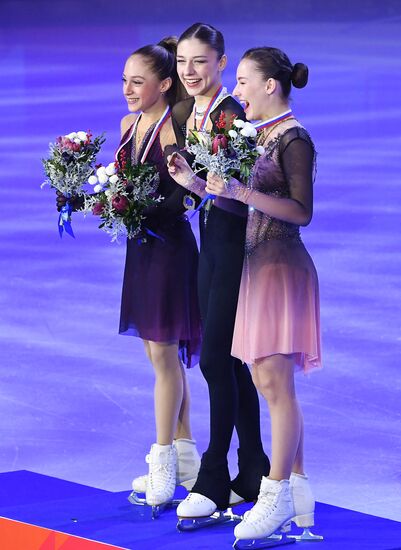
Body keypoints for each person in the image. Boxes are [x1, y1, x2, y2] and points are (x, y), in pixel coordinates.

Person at [58, 38, 202, 511]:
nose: (127, 89)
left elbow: (186, 196)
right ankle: (185, 458)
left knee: (164, 359)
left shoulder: (171, 129)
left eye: (137, 82)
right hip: (140, 252)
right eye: (124, 80)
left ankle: (163, 463)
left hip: (170, 252)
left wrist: (135, 207)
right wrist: (79, 197)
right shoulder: (128, 125)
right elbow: (118, 187)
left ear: (164, 84)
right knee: (159, 356)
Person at [204, 47, 322, 543]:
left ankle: (274, 496)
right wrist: (199, 183)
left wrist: (243, 192)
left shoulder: (293, 138)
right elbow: (242, 195)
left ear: (271, 85)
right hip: (258, 267)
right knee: (268, 381)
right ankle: (297, 491)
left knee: (275, 386)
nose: (238, 92)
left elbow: (300, 211)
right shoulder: (258, 136)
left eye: (245, 82)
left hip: (281, 268)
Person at [167, 23, 270, 521]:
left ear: (221, 64)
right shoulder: (194, 114)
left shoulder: (232, 117)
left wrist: (200, 187)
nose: (189, 71)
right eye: (182, 62)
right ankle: (251, 468)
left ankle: (213, 476)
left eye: (200, 62)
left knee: (214, 361)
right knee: (228, 362)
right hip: (211, 248)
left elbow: (238, 202)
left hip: (234, 250)